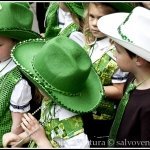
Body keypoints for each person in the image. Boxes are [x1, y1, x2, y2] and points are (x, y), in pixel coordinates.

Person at [2, 36, 103, 148]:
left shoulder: (73, 127)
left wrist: (40, 140)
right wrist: (21, 138)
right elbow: (46, 128)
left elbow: (43, 136)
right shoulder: (49, 100)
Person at [82, 2, 135, 147]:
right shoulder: (89, 41)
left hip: (103, 119)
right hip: (83, 110)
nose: (93, 23)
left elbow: (119, 91)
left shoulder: (117, 51)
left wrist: (89, 89)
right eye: (91, 16)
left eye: (100, 18)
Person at [97, 6, 150, 147]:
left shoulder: (147, 106)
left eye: (118, 51)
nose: (114, 54)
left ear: (138, 59)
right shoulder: (132, 78)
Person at [0, 2, 41, 147]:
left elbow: (16, 129)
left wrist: (10, 143)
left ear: (15, 43)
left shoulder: (17, 82)